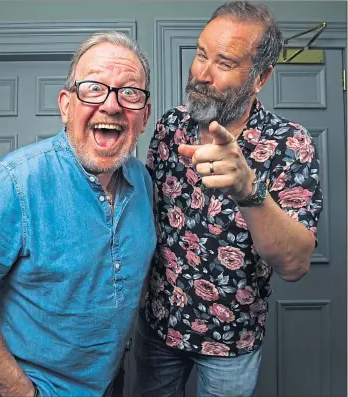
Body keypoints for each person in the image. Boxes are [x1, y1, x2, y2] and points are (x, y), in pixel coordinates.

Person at [133, 2, 323, 397]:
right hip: (159, 328)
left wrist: (249, 192)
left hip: (231, 342)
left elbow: (295, 265)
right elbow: (145, 220)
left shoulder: (291, 143)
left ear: (260, 77)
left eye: (224, 62)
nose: (201, 73)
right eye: (202, 54)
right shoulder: (170, 126)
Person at [0, 31, 156, 397]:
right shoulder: (11, 184)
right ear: (66, 105)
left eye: (129, 92)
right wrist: (22, 392)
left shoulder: (143, 183)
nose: (112, 105)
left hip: (114, 383)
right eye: (94, 88)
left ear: (143, 117)